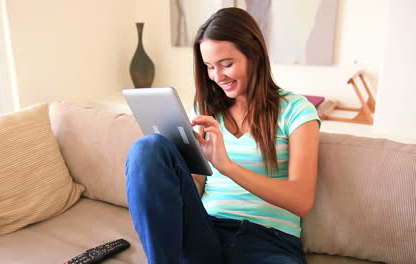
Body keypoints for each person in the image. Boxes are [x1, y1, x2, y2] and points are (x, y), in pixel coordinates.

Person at [125, 7, 320, 264]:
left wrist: (226, 166)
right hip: (206, 232)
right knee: (148, 148)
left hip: (270, 243)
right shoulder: (207, 112)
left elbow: (302, 200)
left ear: (255, 54)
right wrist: (178, 164)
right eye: (209, 67)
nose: (217, 77)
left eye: (226, 64)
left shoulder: (296, 110)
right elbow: (197, 186)